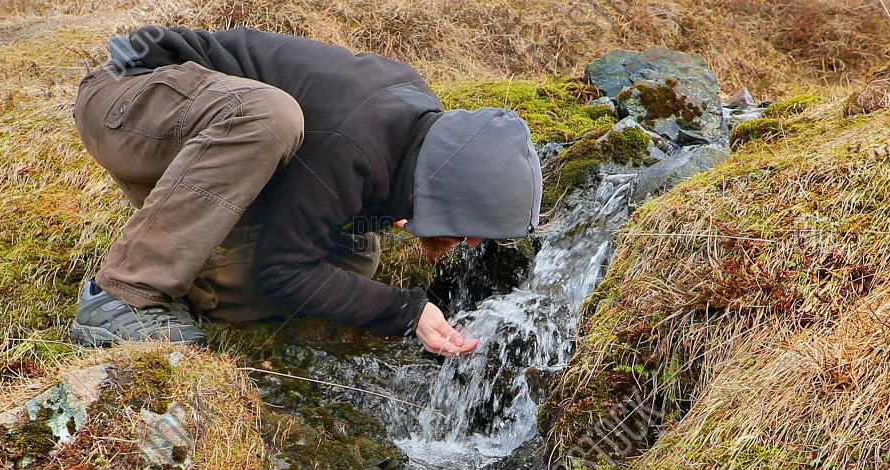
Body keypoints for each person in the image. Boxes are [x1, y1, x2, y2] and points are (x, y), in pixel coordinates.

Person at [70, 25, 542, 357]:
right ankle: (121, 295)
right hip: (129, 96)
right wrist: (407, 311)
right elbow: (284, 270)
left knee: (353, 255)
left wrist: (401, 208)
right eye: (478, 227)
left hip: (200, 129)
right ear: (456, 189)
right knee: (268, 116)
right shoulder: (355, 138)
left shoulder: (413, 139)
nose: (475, 243)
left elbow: (322, 204)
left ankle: (190, 290)